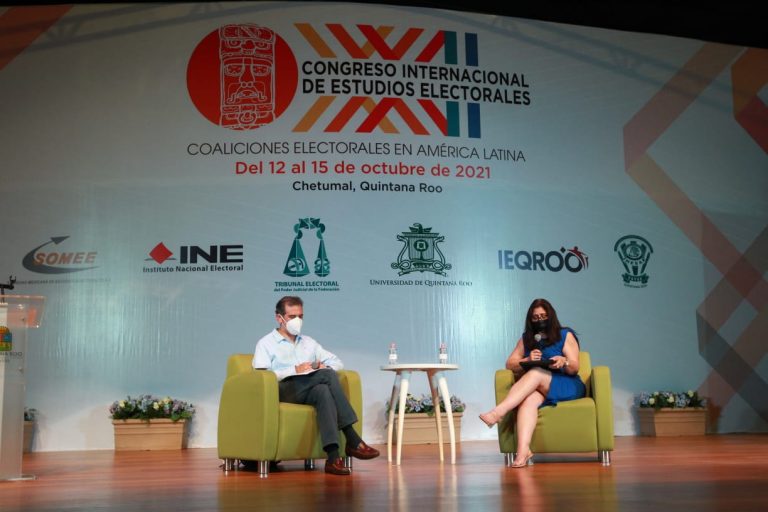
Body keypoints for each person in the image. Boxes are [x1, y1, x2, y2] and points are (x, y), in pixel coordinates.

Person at [252, 295, 379, 476]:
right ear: (279, 318)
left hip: (308, 388)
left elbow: (337, 362)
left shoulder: (308, 342)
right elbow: (262, 376)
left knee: (323, 391)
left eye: (300, 317)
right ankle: (352, 438)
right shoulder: (266, 343)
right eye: (291, 317)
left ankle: (333, 458)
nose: (297, 321)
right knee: (326, 377)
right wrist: (293, 370)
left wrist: (319, 367)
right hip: (281, 390)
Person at [479, 298, 585, 468]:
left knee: (536, 373)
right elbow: (510, 364)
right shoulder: (527, 338)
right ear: (531, 320)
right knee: (527, 402)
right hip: (540, 386)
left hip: (566, 383)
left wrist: (563, 360)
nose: (540, 320)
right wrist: (526, 359)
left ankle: (498, 412)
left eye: (543, 316)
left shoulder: (565, 334)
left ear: (551, 316)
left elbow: (575, 367)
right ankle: (523, 452)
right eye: (536, 318)